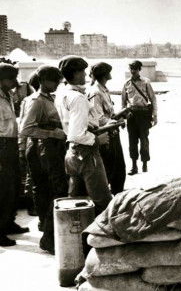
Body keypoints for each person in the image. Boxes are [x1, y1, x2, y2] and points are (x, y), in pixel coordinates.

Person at [19, 65, 68, 254]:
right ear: (43, 81)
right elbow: (25, 129)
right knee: (54, 188)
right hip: (42, 148)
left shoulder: (48, 99)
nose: (57, 84)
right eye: (54, 81)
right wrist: (52, 134)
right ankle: (48, 235)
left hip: (45, 148)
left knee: (44, 189)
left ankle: (45, 227)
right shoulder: (36, 101)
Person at [55, 56, 112, 215]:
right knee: (102, 200)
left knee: (75, 200)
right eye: (82, 72)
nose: (86, 76)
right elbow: (77, 134)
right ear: (74, 74)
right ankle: (101, 237)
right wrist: (97, 140)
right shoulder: (78, 98)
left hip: (72, 153)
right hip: (86, 152)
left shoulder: (63, 93)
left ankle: (75, 236)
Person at [0, 64, 29, 247]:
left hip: (10, 144)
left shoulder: (7, 95)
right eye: (11, 79)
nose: (15, 83)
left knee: (13, 187)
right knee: (2, 190)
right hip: (1, 145)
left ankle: (8, 222)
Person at [87, 62, 126, 195]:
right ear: (104, 74)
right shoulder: (96, 92)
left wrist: (119, 116)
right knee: (111, 171)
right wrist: (115, 121)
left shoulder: (103, 90)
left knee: (119, 171)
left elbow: (108, 114)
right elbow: (98, 119)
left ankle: (117, 197)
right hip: (106, 137)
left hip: (113, 133)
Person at [121, 60, 157, 174]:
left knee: (144, 140)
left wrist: (155, 115)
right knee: (132, 141)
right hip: (132, 114)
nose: (133, 71)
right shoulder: (126, 83)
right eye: (131, 69)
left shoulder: (146, 82)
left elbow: (153, 99)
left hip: (144, 114)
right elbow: (123, 102)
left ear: (139, 70)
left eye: (135, 69)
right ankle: (134, 166)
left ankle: (145, 164)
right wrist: (124, 117)